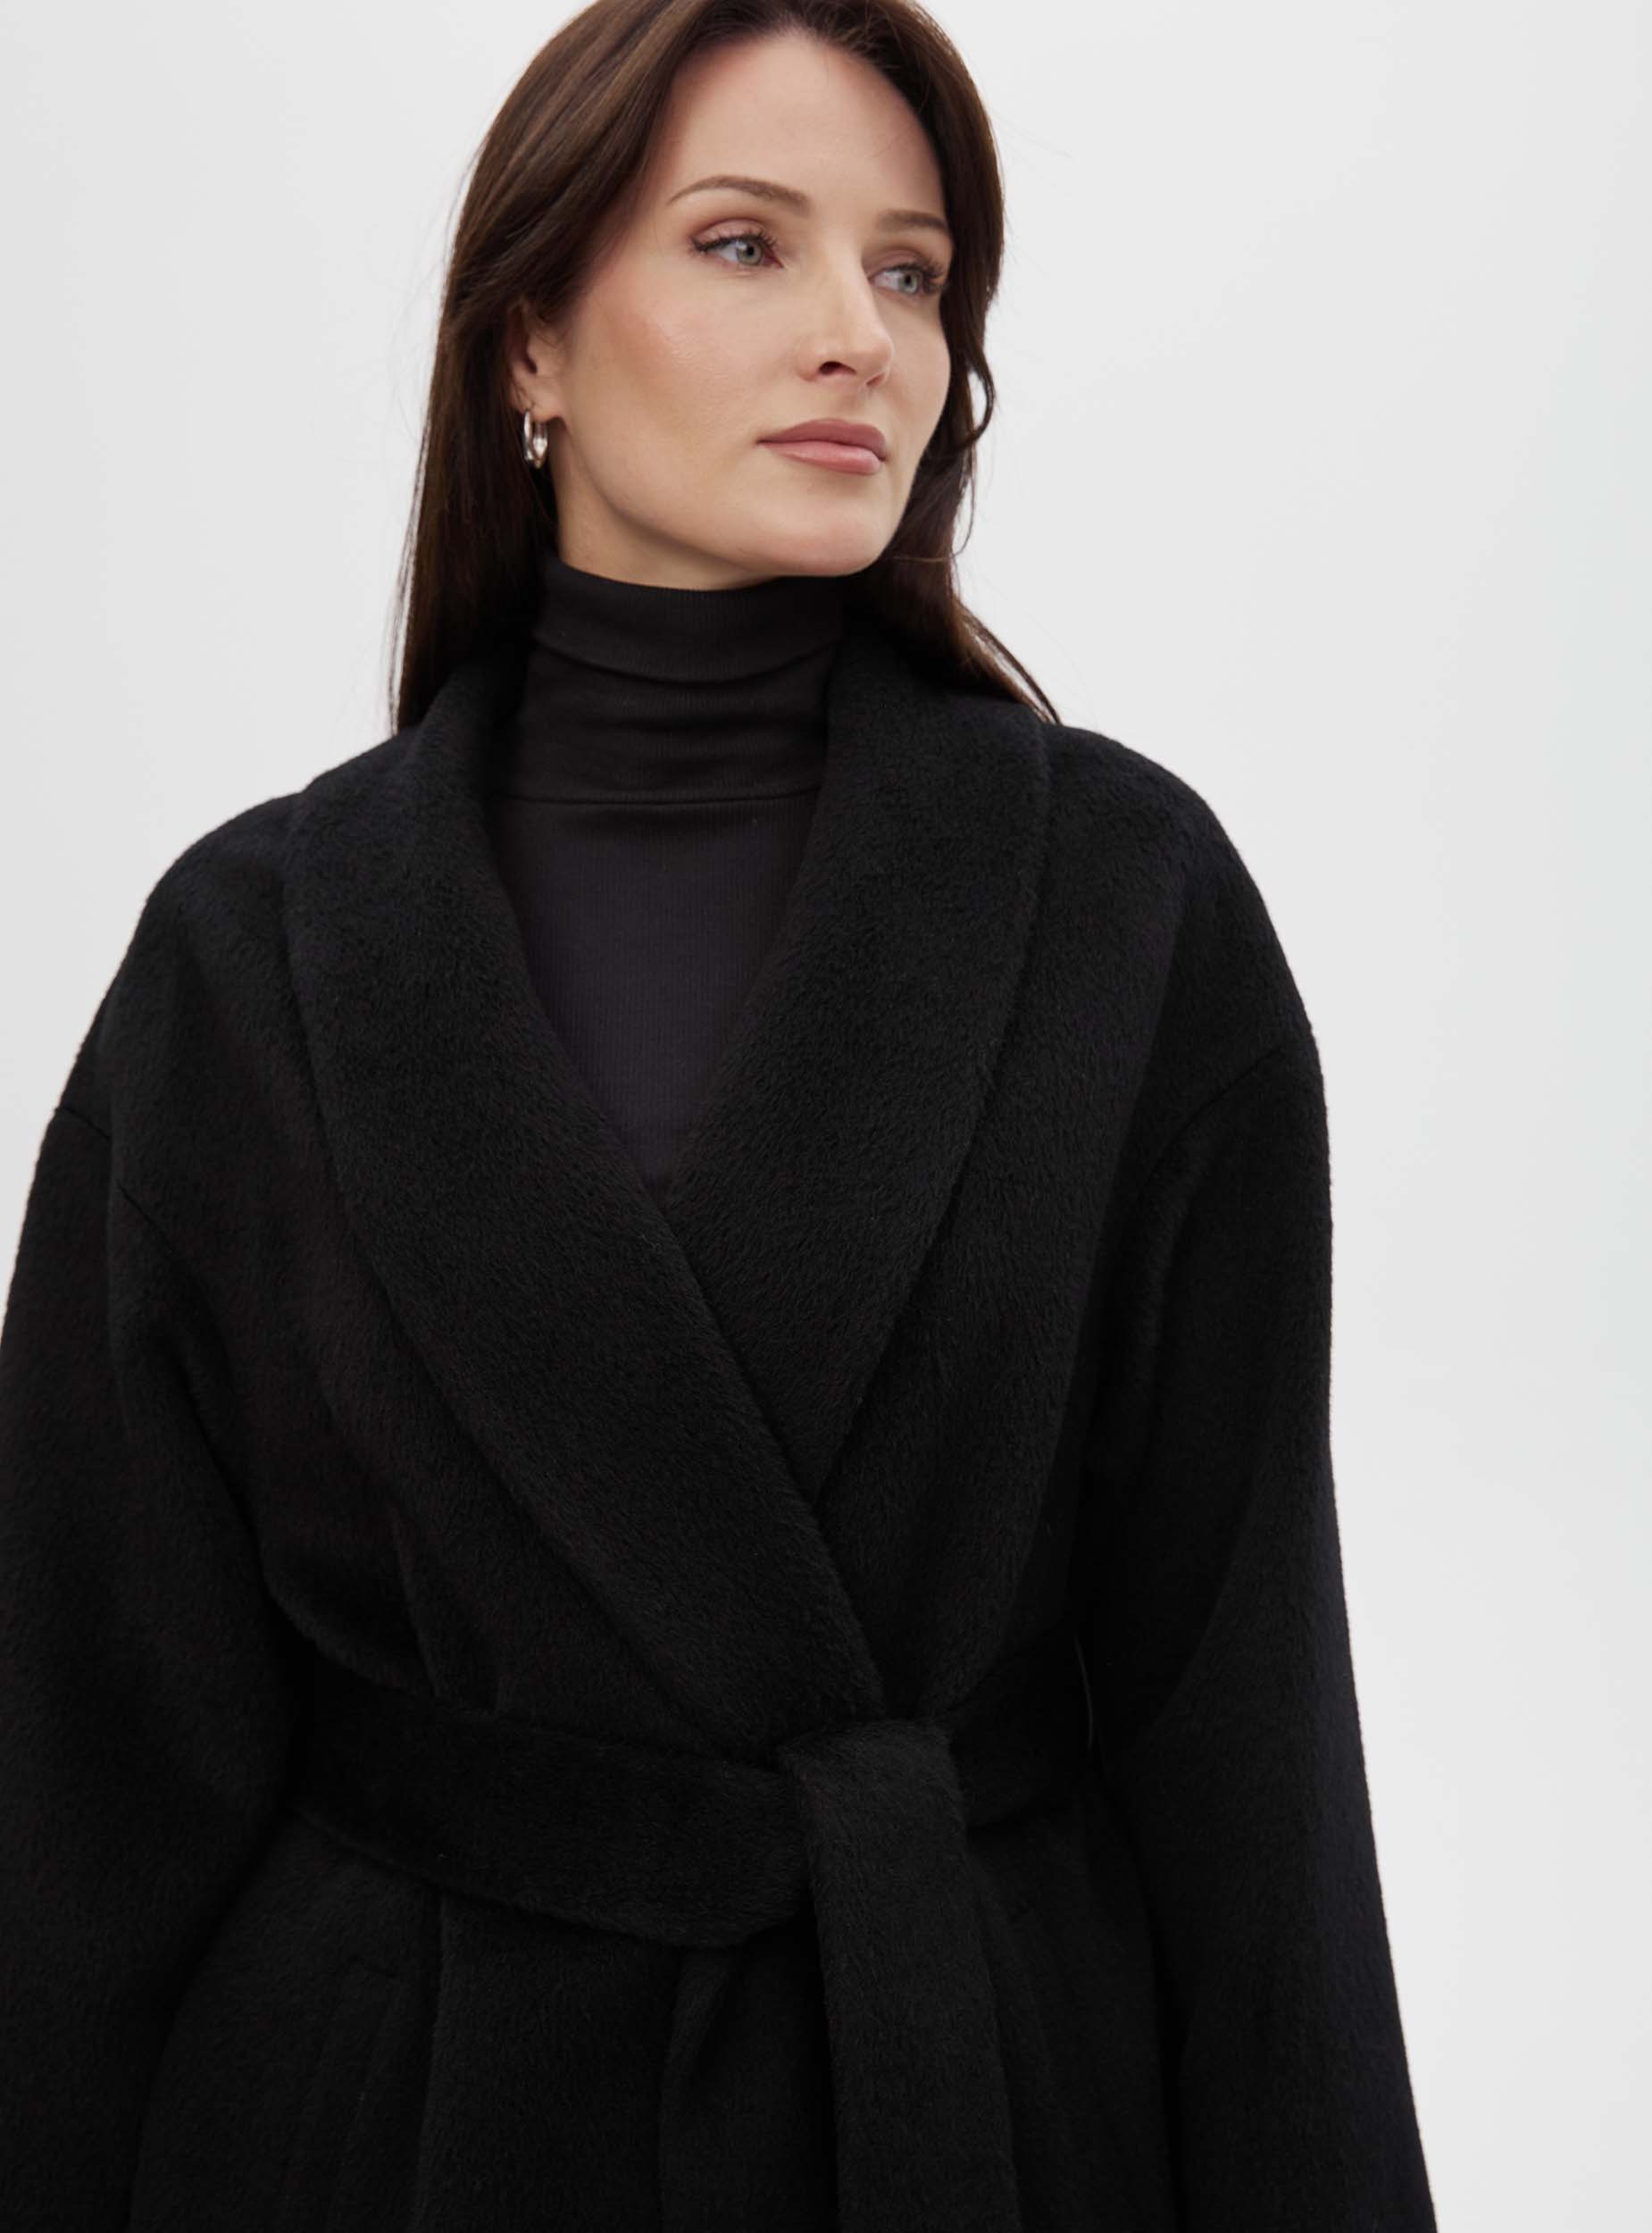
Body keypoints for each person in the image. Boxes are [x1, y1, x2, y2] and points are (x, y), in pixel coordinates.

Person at [0, 4, 1439, 2229]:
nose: (860, 332)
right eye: (747, 243)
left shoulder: (1127, 908)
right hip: (377, 2131)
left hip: (966, 2105)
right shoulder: (252, 954)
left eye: (910, 268)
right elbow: (87, 1763)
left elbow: (1245, 1732)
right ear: (529, 343)